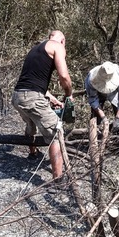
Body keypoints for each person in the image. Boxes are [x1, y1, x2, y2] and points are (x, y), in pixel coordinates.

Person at [12, 30, 73, 181]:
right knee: (55, 133)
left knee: (30, 123)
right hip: (32, 97)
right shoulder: (58, 47)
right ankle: (58, 180)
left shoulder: (35, 49)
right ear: (63, 41)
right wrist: (68, 94)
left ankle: (33, 152)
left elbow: (32, 81)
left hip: (18, 96)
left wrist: (51, 98)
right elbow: (64, 76)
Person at [85, 61, 119, 133]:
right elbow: (93, 99)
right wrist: (103, 117)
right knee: (96, 119)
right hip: (98, 94)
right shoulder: (91, 78)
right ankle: (96, 137)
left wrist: (118, 117)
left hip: (114, 93)